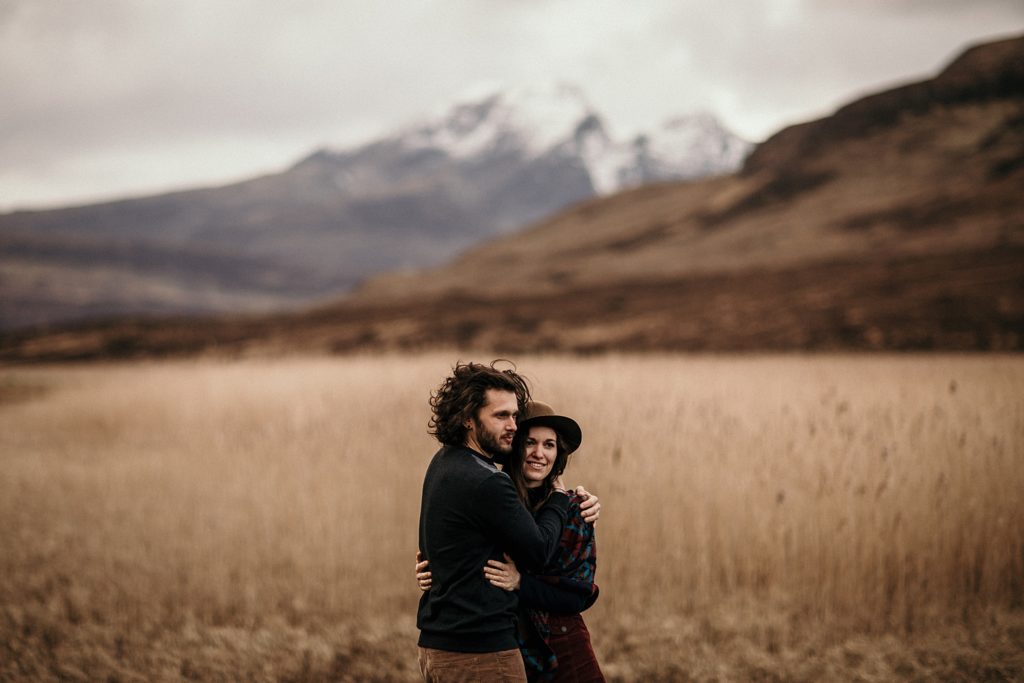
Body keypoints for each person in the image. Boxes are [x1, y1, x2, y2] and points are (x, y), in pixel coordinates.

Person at [416, 361, 599, 683]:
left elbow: (580, 593)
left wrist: (518, 582)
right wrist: (437, 569)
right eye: (502, 416)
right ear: (467, 419)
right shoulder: (489, 483)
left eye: (515, 416)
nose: (512, 426)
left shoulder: (446, 463)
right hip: (483, 649)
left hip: (554, 647)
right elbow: (536, 549)